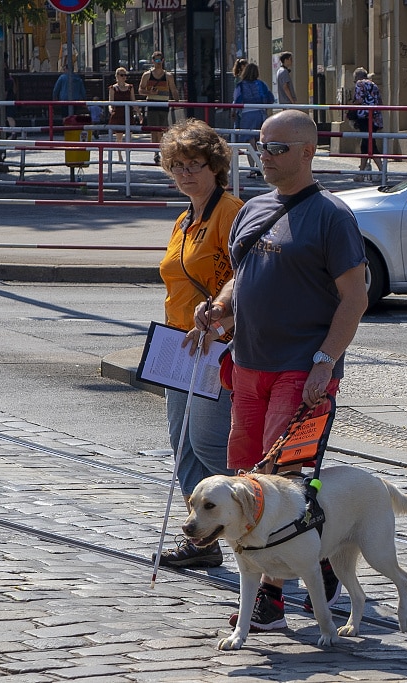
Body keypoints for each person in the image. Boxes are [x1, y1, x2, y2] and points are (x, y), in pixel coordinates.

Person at [194, 109, 369, 631]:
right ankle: (313, 560)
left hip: (301, 370)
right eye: (260, 147)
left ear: (308, 152)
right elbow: (241, 278)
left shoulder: (332, 217)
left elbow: (354, 297)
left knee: (280, 480)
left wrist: (324, 361)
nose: (265, 158)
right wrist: (219, 308)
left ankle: (270, 597)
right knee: (243, 477)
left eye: (277, 149)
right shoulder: (252, 210)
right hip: (247, 365)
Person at [153, 118, 243, 568]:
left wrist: (218, 316)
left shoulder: (231, 211)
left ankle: (253, 532)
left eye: (195, 164)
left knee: (211, 445)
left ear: (215, 166)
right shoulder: (184, 218)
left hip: (215, 343)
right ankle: (201, 541)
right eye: (178, 165)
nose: (186, 173)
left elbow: (244, 276)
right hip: (176, 344)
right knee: (183, 443)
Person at [232, 62, 275, 178]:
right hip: (261, 114)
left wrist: (233, 113)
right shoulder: (262, 84)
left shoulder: (240, 85)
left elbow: (237, 100)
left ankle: (252, 168)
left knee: (250, 142)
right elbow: (271, 98)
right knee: (260, 141)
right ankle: (260, 167)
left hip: (247, 114)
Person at [139, 51, 180, 163]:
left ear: (163, 61)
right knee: (154, 130)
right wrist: (149, 91)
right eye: (155, 60)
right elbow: (140, 90)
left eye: (159, 60)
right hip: (152, 104)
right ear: (152, 61)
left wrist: (177, 102)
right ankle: (156, 153)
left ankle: (162, 151)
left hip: (164, 105)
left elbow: (174, 89)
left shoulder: (168, 76)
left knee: (162, 130)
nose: (158, 62)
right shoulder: (147, 75)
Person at [350, 67, 383, 181]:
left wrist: (350, 105)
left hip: (365, 117)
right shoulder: (374, 85)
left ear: (358, 78)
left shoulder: (360, 84)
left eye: (354, 80)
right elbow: (380, 102)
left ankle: (382, 171)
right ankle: (361, 173)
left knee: (370, 145)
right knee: (366, 144)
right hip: (375, 118)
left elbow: (359, 100)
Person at [108, 66, 135, 162]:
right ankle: (119, 155)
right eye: (122, 75)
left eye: (125, 75)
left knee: (129, 137)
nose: (124, 77)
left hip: (128, 114)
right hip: (118, 114)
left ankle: (128, 155)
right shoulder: (113, 88)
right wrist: (111, 109)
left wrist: (139, 114)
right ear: (117, 76)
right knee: (119, 137)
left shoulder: (130, 87)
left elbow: (133, 101)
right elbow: (110, 102)